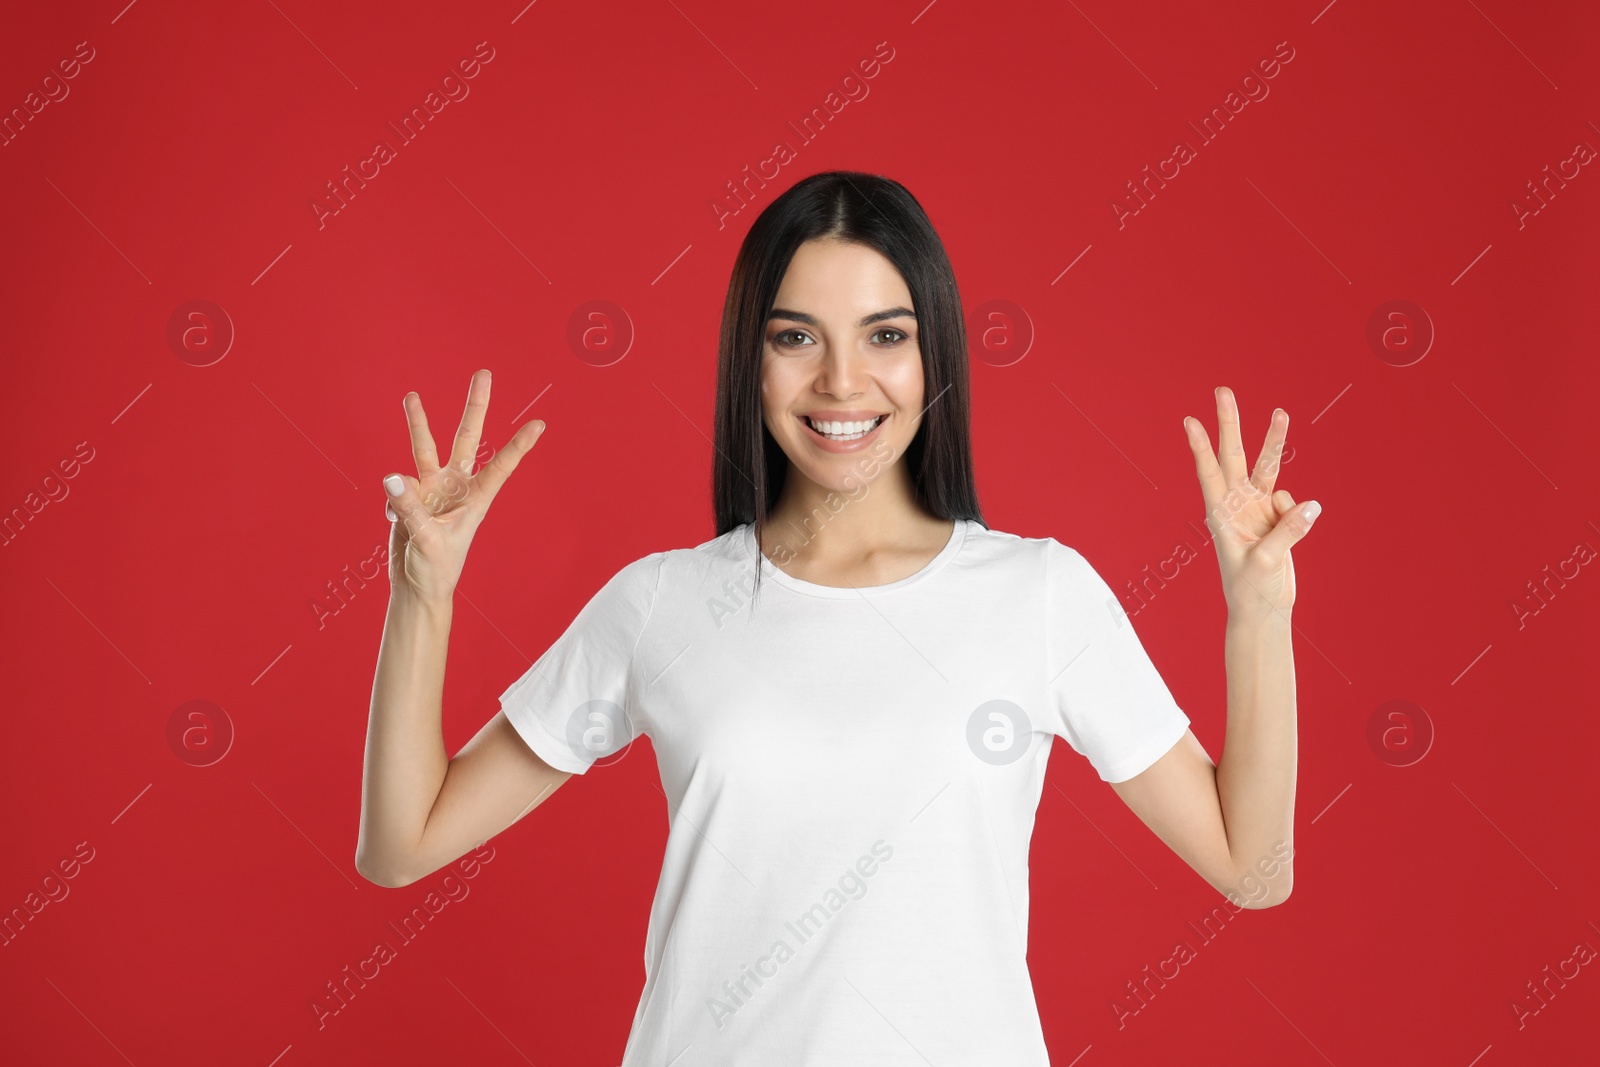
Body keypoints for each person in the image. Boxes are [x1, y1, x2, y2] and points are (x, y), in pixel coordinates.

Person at [355, 171, 1317, 1065]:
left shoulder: (1039, 593)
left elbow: (1254, 867)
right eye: (796, 336)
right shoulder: (662, 603)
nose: (843, 382)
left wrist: (1259, 613)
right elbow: (402, 846)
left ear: (933, 349)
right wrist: (421, 594)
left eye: (886, 335)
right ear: (752, 359)